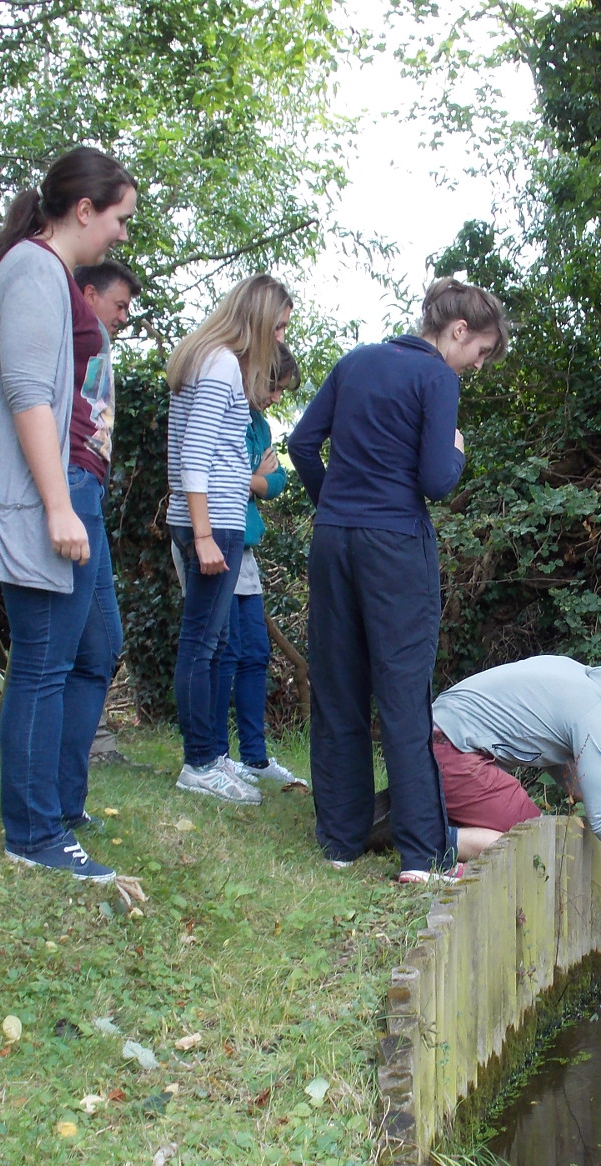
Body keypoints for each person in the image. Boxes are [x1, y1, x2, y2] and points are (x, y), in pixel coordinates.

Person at [0, 146, 138, 882]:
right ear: (84, 210)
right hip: (46, 496)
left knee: (91, 647)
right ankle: (32, 833)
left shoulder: (48, 272)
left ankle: (56, 802)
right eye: (119, 217)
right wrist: (60, 508)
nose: (123, 233)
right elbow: (29, 394)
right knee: (43, 659)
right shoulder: (32, 270)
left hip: (69, 489)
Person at [291, 278, 509, 882]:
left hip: (334, 541)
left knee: (338, 688)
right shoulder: (437, 377)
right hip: (395, 549)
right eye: (482, 352)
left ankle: (340, 839)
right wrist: (458, 450)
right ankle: (423, 855)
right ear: (458, 330)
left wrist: (332, 505)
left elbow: (303, 443)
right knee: (404, 697)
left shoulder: (355, 362)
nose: (479, 366)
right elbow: (437, 480)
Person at [165, 274, 294, 805]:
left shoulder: (208, 360)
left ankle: (214, 756)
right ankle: (199, 764)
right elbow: (195, 455)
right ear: (259, 321)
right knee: (202, 645)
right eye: (280, 326)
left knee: (214, 645)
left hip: (213, 519)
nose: (282, 339)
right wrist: (203, 534)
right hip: (211, 522)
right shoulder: (220, 364)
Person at [429, 653, 601, 898]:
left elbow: (554, 754)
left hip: (437, 737)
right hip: (451, 749)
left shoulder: (579, 680)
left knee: (533, 835)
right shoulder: (595, 710)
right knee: (534, 842)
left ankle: (421, 823)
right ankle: (427, 842)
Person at [206, 344, 307, 791]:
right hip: (213, 539)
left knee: (255, 653)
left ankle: (255, 758)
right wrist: (253, 479)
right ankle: (213, 756)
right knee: (221, 652)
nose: (275, 398)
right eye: (274, 387)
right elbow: (212, 473)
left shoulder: (261, 426)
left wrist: (257, 480)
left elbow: (279, 479)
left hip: (243, 547)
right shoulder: (225, 406)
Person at [71, 259, 141, 769]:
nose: (123, 317)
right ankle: (52, 783)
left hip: (87, 485)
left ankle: (72, 781)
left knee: (102, 642)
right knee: (69, 646)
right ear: (89, 293)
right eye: (119, 305)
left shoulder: (97, 340)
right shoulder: (74, 334)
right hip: (71, 486)